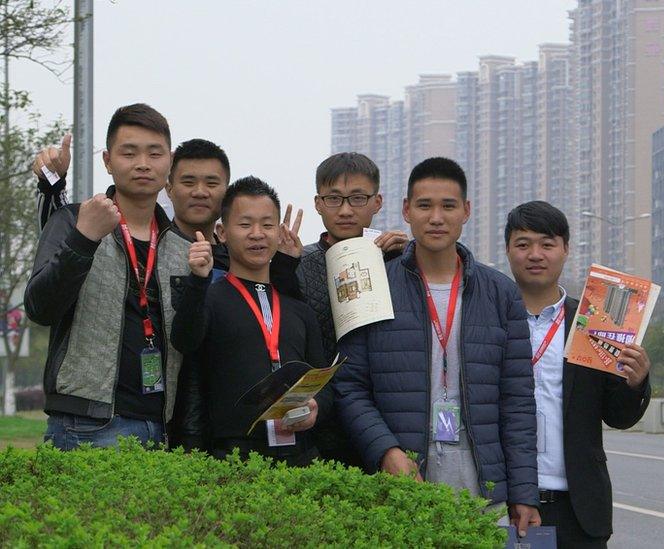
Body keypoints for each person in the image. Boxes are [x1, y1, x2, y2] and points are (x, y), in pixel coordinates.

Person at [333, 157, 541, 536]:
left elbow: (517, 399)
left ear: (466, 211)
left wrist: (524, 492)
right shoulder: (372, 284)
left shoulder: (500, 293)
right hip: (403, 485)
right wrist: (385, 451)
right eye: (425, 205)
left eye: (448, 206)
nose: (436, 217)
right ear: (406, 210)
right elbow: (349, 386)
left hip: (483, 491)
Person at [25, 103, 190, 449]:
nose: (143, 163)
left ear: (170, 162)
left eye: (154, 153)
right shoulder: (74, 221)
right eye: (129, 153)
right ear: (107, 161)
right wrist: (84, 239)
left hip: (162, 427)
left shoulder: (182, 247)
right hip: (84, 425)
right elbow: (40, 307)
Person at [505, 201, 651, 548]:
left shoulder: (594, 324)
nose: (535, 254)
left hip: (579, 507)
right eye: (523, 244)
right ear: (508, 250)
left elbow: (617, 416)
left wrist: (636, 383)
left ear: (566, 249)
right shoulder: (491, 319)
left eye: (547, 244)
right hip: (507, 502)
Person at [170, 177, 330, 466]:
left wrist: (318, 407)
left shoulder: (297, 306)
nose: (257, 234)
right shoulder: (210, 297)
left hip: (300, 458)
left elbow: (325, 381)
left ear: (279, 232)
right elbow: (184, 339)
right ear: (222, 232)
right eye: (245, 225)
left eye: (267, 225)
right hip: (232, 459)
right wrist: (197, 280)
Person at [297, 152, 407, 465]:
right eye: (334, 198)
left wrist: (410, 256)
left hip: (385, 421)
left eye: (358, 198)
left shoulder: (397, 261)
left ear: (378, 201)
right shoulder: (298, 266)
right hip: (317, 422)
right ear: (318, 203)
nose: (345, 210)